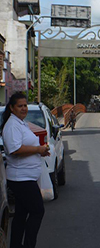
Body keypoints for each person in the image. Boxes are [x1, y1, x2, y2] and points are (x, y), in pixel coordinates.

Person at [1, 92, 50, 248]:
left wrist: (41, 150)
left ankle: (16, 245)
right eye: (20, 106)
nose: (24, 108)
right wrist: (37, 149)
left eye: (25, 105)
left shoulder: (20, 123)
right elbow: (15, 149)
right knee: (37, 211)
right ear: (12, 108)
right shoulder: (11, 125)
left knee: (21, 214)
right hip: (20, 178)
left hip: (26, 176)